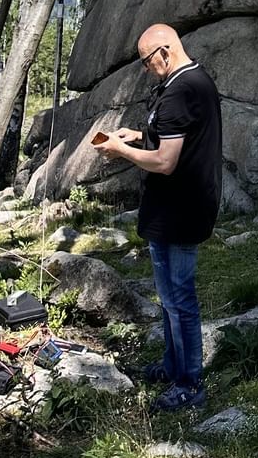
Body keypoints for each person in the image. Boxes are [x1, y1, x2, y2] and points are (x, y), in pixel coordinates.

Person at [93, 23, 222, 412]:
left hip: (181, 208)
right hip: (172, 206)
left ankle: (189, 384)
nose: (146, 69)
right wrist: (137, 136)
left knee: (179, 297)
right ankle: (171, 366)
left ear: (165, 52)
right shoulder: (189, 81)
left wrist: (120, 151)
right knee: (168, 297)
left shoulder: (181, 90)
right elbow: (173, 136)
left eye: (147, 61)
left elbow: (166, 162)